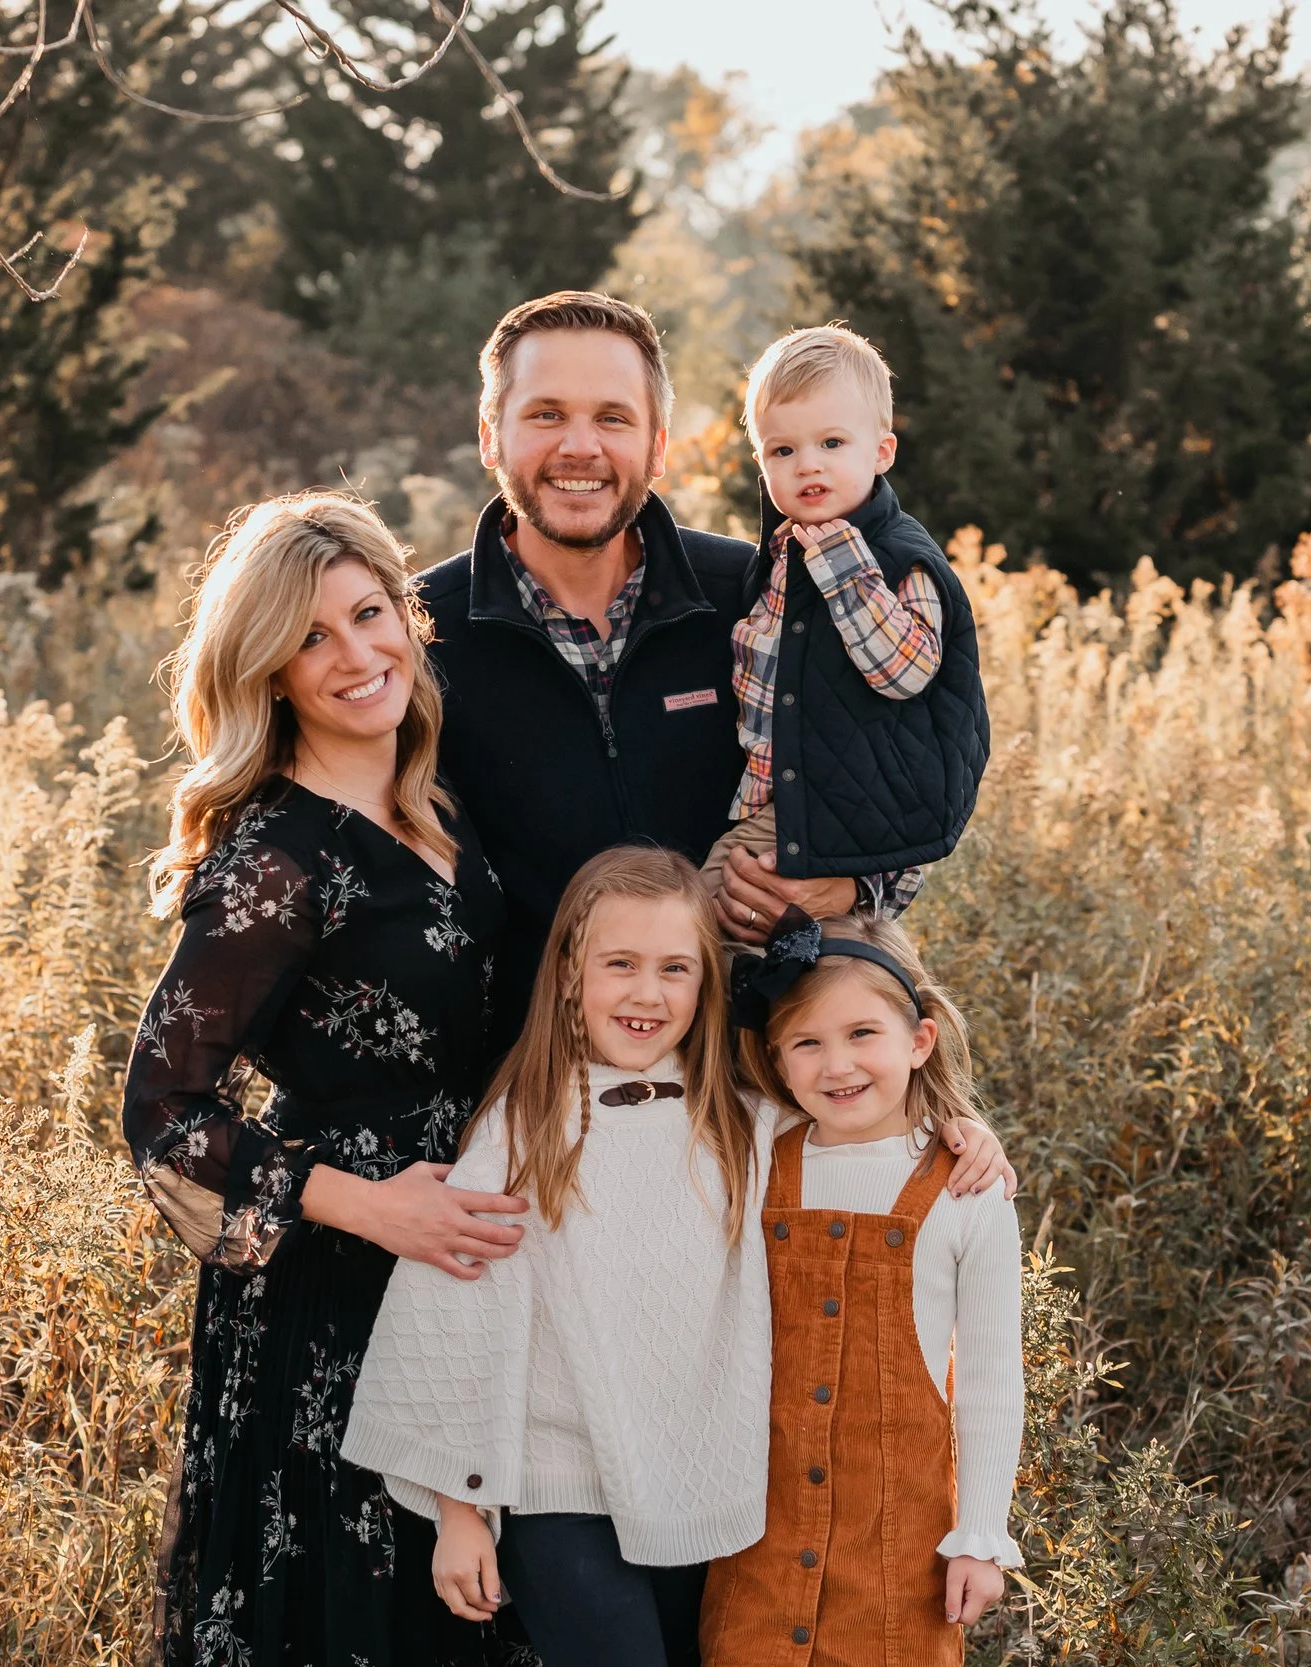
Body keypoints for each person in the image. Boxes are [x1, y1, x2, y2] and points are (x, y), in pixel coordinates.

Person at [340, 850, 1015, 1667]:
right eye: (620, 964)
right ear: (566, 974)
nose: (647, 992)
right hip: (558, 1485)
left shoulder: (743, 1123)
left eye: (675, 969)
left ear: (706, 988)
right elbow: (454, 1310)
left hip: (704, 1489)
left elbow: (863, 1135)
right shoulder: (523, 1130)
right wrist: (459, 1510)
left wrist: (960, 1129)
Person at [120, 492, 527, 1666]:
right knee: (358, 1607)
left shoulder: (434, 802)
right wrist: (369, 1205)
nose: (358, 654)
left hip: (463, 1243)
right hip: (336, 1280)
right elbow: (159, 1109)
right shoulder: (275, 855)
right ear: (271, 673)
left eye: (370, 612)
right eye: (313, 637)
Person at [418, 293, 929, 1059]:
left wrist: (852, 886)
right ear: (491, 437)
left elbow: (898, 762)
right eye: (547, 414)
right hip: (533, 1096)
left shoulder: (758, 591)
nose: (580, 447)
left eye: (614, 419)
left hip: (754, 1079)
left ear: (659, 447)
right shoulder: (418, 633)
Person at [701, 914, 1025, 1665]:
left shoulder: (968, 1192)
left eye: (862, 1034)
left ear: (919, 1040)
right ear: (778, 1063)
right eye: (807, 1042)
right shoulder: (754, 1159)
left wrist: (980, 1535)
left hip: (896, 1562)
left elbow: (989, 1379)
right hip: (758, 1553)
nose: (837, 1064)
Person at [699, 325, 990, 903]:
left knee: (702, 916)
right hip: (782, 799)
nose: (808, 465)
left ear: (881, 452)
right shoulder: (785, 554)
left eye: (831, 443)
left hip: (837, 813)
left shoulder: (897, 559)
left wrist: (841, 563)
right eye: (784, 450)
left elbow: (905, 672)